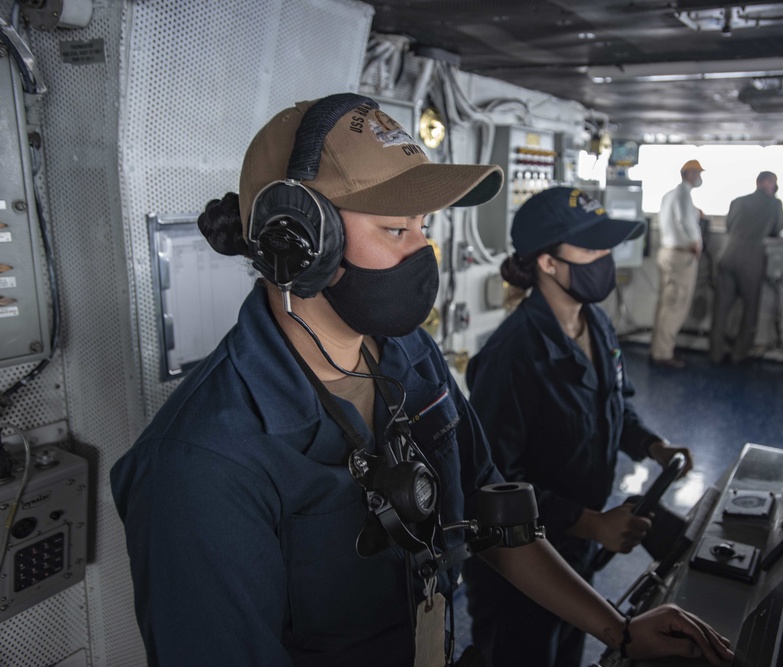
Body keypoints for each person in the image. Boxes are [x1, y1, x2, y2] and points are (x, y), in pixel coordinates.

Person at [109, 95, 733, 667]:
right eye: (396, 230)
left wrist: (618, 629)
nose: (423, 255)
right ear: (299, 243)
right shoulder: (201, 465)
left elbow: (494, 515)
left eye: (424, 229)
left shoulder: (409, 354)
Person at [463, 186, 700, 667]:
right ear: (547, 263)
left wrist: (652, 446)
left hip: (579, 549)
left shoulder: (596, 323)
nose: (604, 258)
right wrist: (592, 522)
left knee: (569, 651)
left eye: (606, 247)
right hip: (524, 565)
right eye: (590, 249)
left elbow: (613, 405)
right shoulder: (513, 356)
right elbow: (489, 487)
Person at [709, 170, 783, 364]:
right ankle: (739, 355)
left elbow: (729, 226)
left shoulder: (738, 201)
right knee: (750, 310)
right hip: (752, 259)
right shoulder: (775, 204)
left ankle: (715, 353)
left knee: (720, 310)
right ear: (769, 183)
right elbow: (777, 229)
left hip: (728, 254)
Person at [650, 159, 706, 368]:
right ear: (689, 173)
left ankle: (658, 348)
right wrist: (695, 243)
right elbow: (683, 220)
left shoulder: (670, 195)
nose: (700, 177)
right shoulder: (683, 194)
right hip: (681, 257)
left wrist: (695, 212)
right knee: (675, 306)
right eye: (698, 173)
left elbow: (678, 216)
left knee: (666, 304)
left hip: (667, 253)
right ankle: (663, 354)